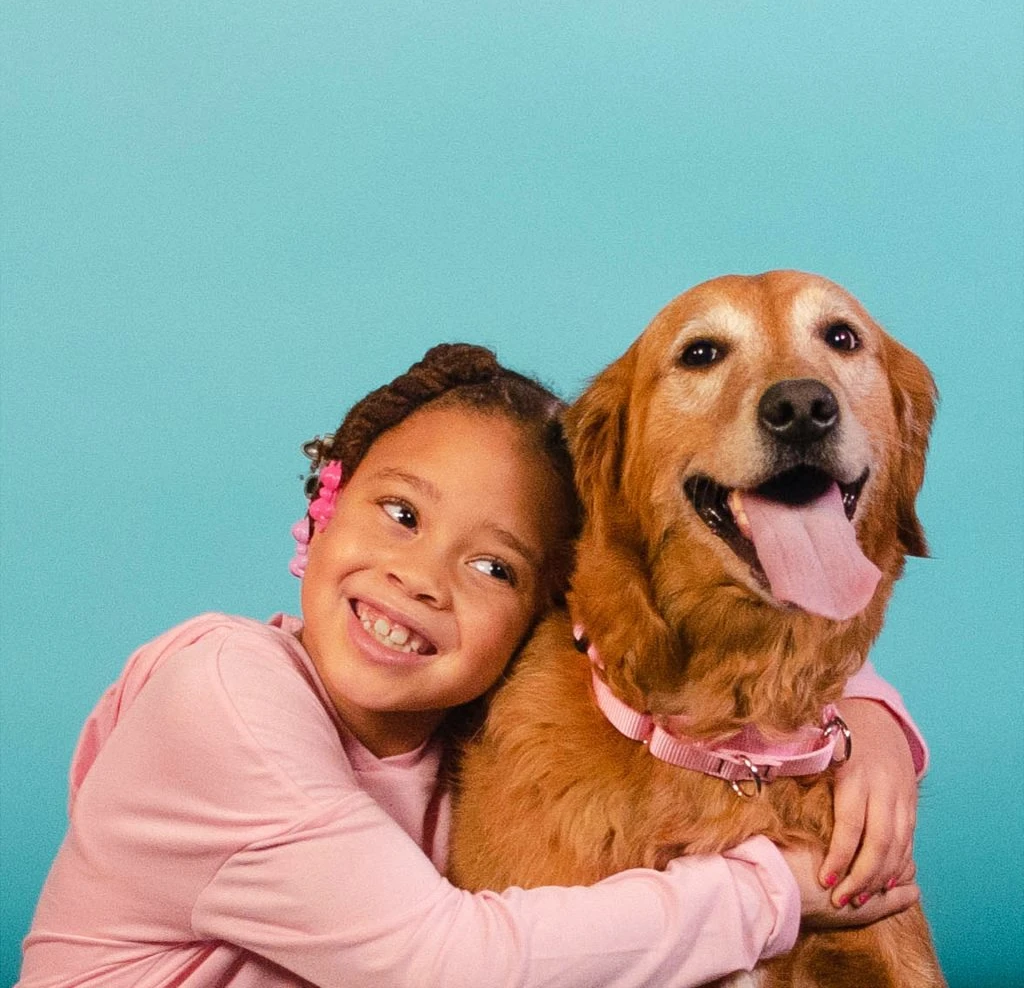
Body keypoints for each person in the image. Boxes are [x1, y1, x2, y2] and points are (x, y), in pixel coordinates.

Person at [17, 344, 926, 988]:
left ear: (547, 610)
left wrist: (866, 713)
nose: (423, 581)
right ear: (326, 498)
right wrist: (771, 892)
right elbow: (439, 965)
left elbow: (663, 642)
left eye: (495, 568)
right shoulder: (223, 693)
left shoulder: (466, 701)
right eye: (401, 514)